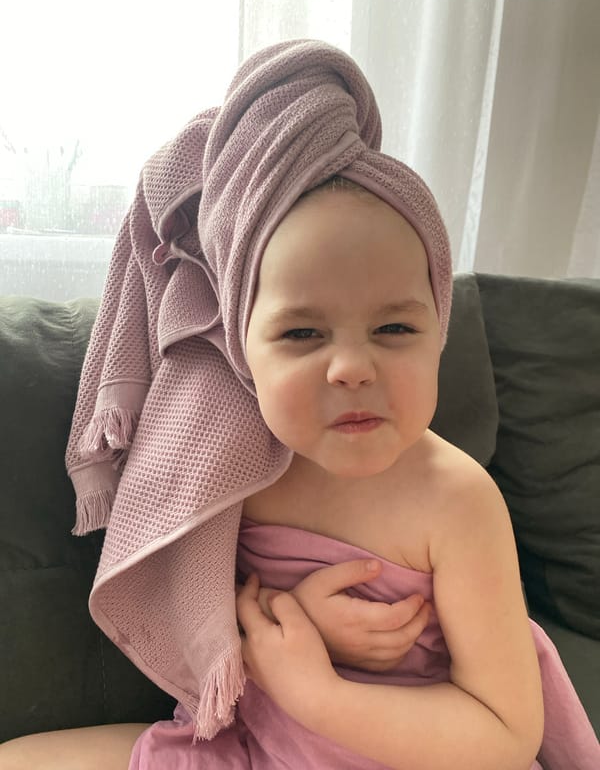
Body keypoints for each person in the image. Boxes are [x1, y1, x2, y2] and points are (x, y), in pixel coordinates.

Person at [1, 40, 598, 770]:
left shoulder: (456, 502)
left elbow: (505, 736)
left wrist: (317, 689)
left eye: (394, 328)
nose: (351, 367)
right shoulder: (228, 463)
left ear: (439, 331)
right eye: (303, 332)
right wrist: (299, 626)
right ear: (242, 348)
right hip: (258, 742)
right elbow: (208, 616)